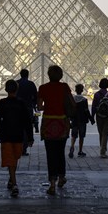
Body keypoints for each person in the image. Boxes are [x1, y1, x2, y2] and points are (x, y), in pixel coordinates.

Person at [37, 65, 73, 195]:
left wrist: (49, 105)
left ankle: (52, 184)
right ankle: (62, 177)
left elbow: (40, 107)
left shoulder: (43, 88)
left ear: (48, 75)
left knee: (50, 154)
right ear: (61, 75)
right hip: (62, 123)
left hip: (48, 123)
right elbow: (71, 103)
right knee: (60, 152)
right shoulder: (65, 87)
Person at [0, 79, 34, 197]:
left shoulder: (2, 103)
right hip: (18, 136)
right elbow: (27, 122)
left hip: (6, 136)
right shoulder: (21, 104)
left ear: (6, 90)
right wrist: (30, 137)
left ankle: (11, 178)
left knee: (11, 159)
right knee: (14, 159)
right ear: (17, 90)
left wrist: (0, 134)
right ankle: (15, 184)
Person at [91, 78, 108, 158]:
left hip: (99, 116)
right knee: (105, 134)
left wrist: (92, 117)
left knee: (101, 133)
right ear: (107, 85)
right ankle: (103, 151)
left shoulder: (96, 95)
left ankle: (102, 149)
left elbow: (93, 107)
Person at [68, 84, 94, 158]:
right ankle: (80, 151)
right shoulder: (84, 100)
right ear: (82, 90)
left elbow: (70, 110)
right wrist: (91, 119)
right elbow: (86, 111)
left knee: (74, 135)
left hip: (74, 120)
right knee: (81, 136)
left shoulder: (72, 99)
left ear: (75, 90)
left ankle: (72, 146)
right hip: (82, 120)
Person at [16, 68, 38, 155]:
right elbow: (35, 97)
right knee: (26, 127)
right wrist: (34, 106)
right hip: (28, 108)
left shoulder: (16, 83)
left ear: (20, 74)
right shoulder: (31, 84)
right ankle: (24, 148)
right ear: (28, 75)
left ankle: (17, 146)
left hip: (17, 109)